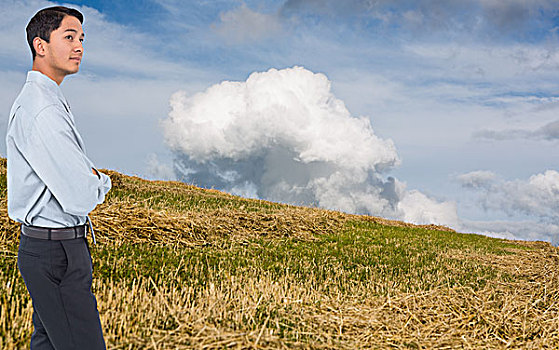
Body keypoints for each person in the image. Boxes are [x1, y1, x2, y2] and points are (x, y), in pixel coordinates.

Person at [5, 6, 111, 349]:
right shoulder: (43, 109)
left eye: (81, 38)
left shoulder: (47, 99)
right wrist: (101, 182)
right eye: (68, 37)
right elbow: (80, 195)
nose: (79, 46)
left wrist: (85, 175)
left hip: (49, 246)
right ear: (41, 45)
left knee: (49, 343)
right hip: (57, 251)